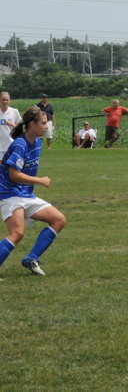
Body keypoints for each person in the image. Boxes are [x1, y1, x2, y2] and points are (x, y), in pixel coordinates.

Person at [0, 107, 67, 277]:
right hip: (9, 193)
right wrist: (40, 180)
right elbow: (14, 175)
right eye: (43, 123)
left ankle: (31, 258)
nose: (46, 126)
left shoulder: (37, 142)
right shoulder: (20, 144)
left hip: (26, 194)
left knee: (58, 220)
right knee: (17, 233)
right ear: (32, 124)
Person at [0, 92, 22, 159]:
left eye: (7, 100)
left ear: (9, 100)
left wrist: (12, 124)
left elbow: (20, 129)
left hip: (11, 144)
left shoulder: (14, 111)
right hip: (0, 146)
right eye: (3, 99)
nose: (5, 102)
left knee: (10, 164)